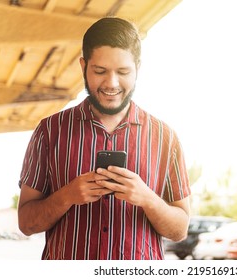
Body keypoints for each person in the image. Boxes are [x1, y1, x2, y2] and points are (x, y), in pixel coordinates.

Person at [17, 17, 191, 260]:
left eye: (123, 72)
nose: (111, 83)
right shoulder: (49, 131)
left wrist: (148, 199)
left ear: (137, 68)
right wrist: (66, 196)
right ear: (83, 66)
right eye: (100, 71)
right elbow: (27, 224)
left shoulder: (165, 137)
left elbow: (179, 230)